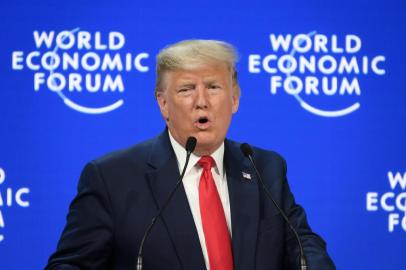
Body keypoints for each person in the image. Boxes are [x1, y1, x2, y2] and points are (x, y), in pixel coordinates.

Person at [45, 40, 336, 270]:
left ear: (234, 99)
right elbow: (70, 264)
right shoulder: (111, 177)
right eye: (186, 89)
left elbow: (302, 246)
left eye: (213, 87)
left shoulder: (264, 168)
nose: (201, 102)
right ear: (163, 104)